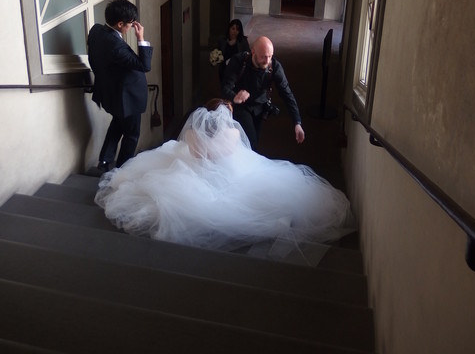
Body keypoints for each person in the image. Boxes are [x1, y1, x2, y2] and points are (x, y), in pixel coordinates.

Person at [94, 99, 354, 260]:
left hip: (193, 170)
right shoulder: (232, 134)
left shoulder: (192, 133)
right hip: (226, 175)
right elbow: (233, 155)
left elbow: (196, 155)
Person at [87, 0, 153, 172]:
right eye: (130, 24)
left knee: (117, 124)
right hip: (127, 99)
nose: (132, 26)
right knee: (131, 135)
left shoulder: (96, 31)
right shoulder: (116, 46)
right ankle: (122, 170)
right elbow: (144, 65)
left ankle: (104, 160)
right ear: (120, 24)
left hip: (111, 95)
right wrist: (141, 38)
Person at [221, 35, 305, 150]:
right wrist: (234, 97)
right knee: (251, 142)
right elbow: (225, 87)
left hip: (259, 108)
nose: (267, 61)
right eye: (263, 56)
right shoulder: (239, 61)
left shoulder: (274, 66)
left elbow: (287, 93)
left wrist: (297, 122)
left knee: (253, 141)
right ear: (253, 52)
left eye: (270, 56)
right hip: (241, 106)